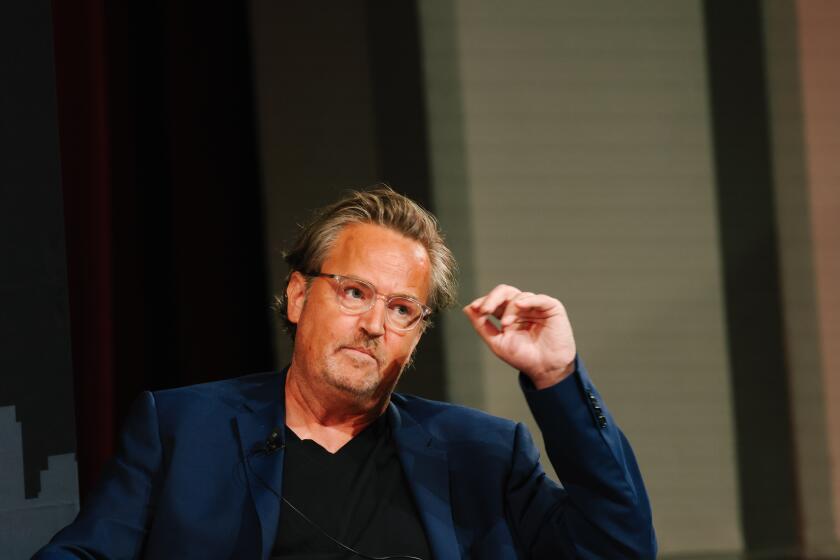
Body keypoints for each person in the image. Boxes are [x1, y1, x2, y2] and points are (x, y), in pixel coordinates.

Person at [35, 186, 656, 559]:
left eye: (402, 308)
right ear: (300, 297)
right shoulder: (181, 429)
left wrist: (557, 378)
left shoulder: (481, 456)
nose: (374, 325)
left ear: (415, 337)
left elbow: (618, 549)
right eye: (355, 292)